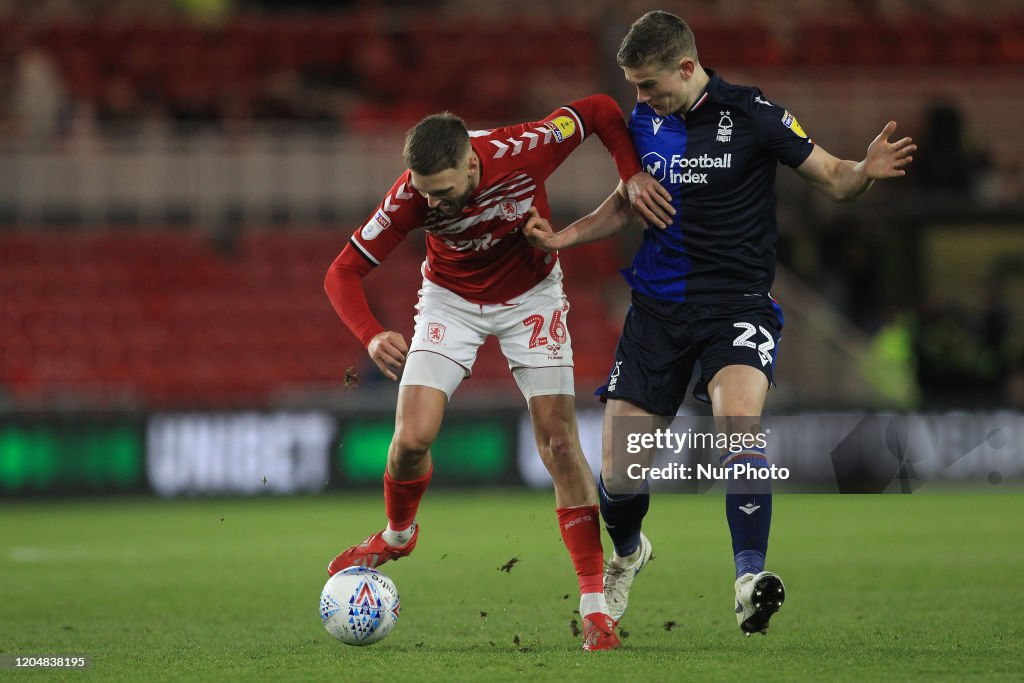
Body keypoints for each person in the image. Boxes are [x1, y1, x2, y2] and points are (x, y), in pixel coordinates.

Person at [524, 10, 915, 638]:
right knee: (622, 472)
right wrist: (564, 238)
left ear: (686, 67)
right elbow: (630, 203)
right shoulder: (645, 123)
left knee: (739, 424)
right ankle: (629, 551)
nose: (640, 98)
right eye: (633, 87)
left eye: (649, 85)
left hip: (736, 306)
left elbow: (836, 179)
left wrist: (863, 173)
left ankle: (748, 579)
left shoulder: (756, 114)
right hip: (656, 312)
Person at [323, 96, 671, 651]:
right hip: (449, 301)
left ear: (470, 163)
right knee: (410, 439)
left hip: (531, 296)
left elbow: (602, 109)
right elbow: (342, 273)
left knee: (559, 446)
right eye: (423, 189)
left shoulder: (526, 145)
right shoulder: (411, 194)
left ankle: (595, 605)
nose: (430, 201)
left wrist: (630, 176)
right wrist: (371, 334)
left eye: (442, 189)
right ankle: (398, 534)